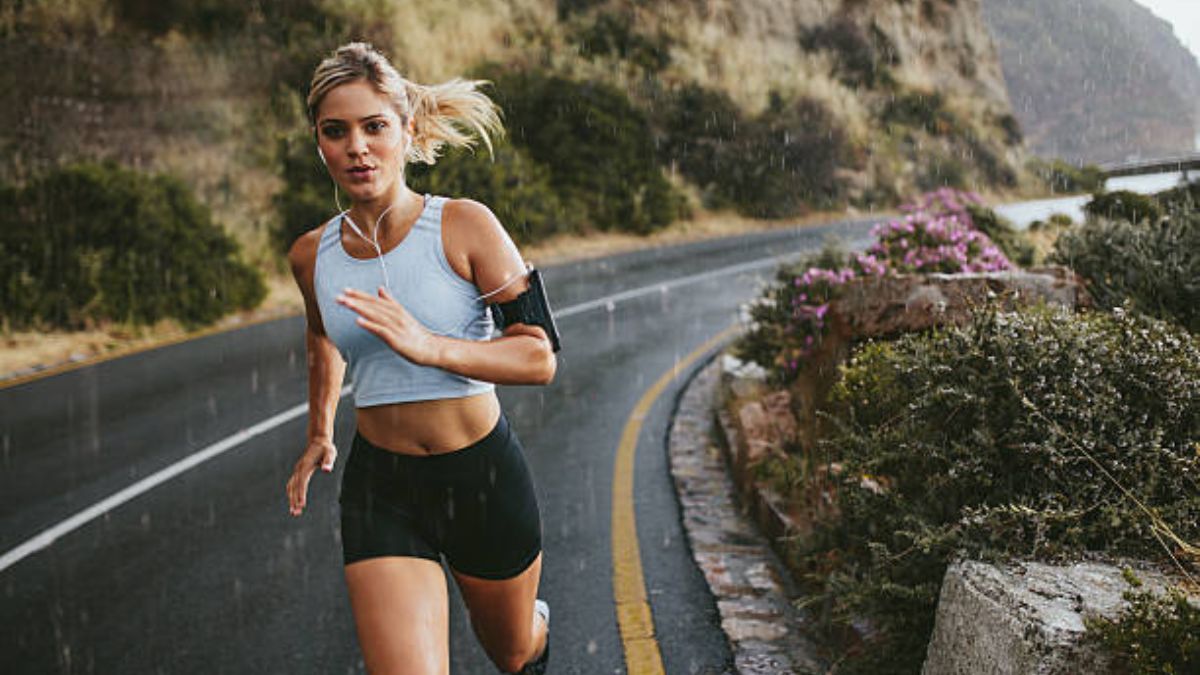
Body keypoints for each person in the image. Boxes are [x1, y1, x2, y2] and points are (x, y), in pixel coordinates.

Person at [283, 42, 556, 674]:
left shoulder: (464, 226)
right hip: (382, 490)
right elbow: (322, 335)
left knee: (514, 652)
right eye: (336, 131)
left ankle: (534, 625)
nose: (357, 147)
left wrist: (428, 344)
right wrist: (320, 431)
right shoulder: (310, 256)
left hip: (480, 478)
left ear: (407, 131)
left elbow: (539, 356)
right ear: (318, 142)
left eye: (375, 126)